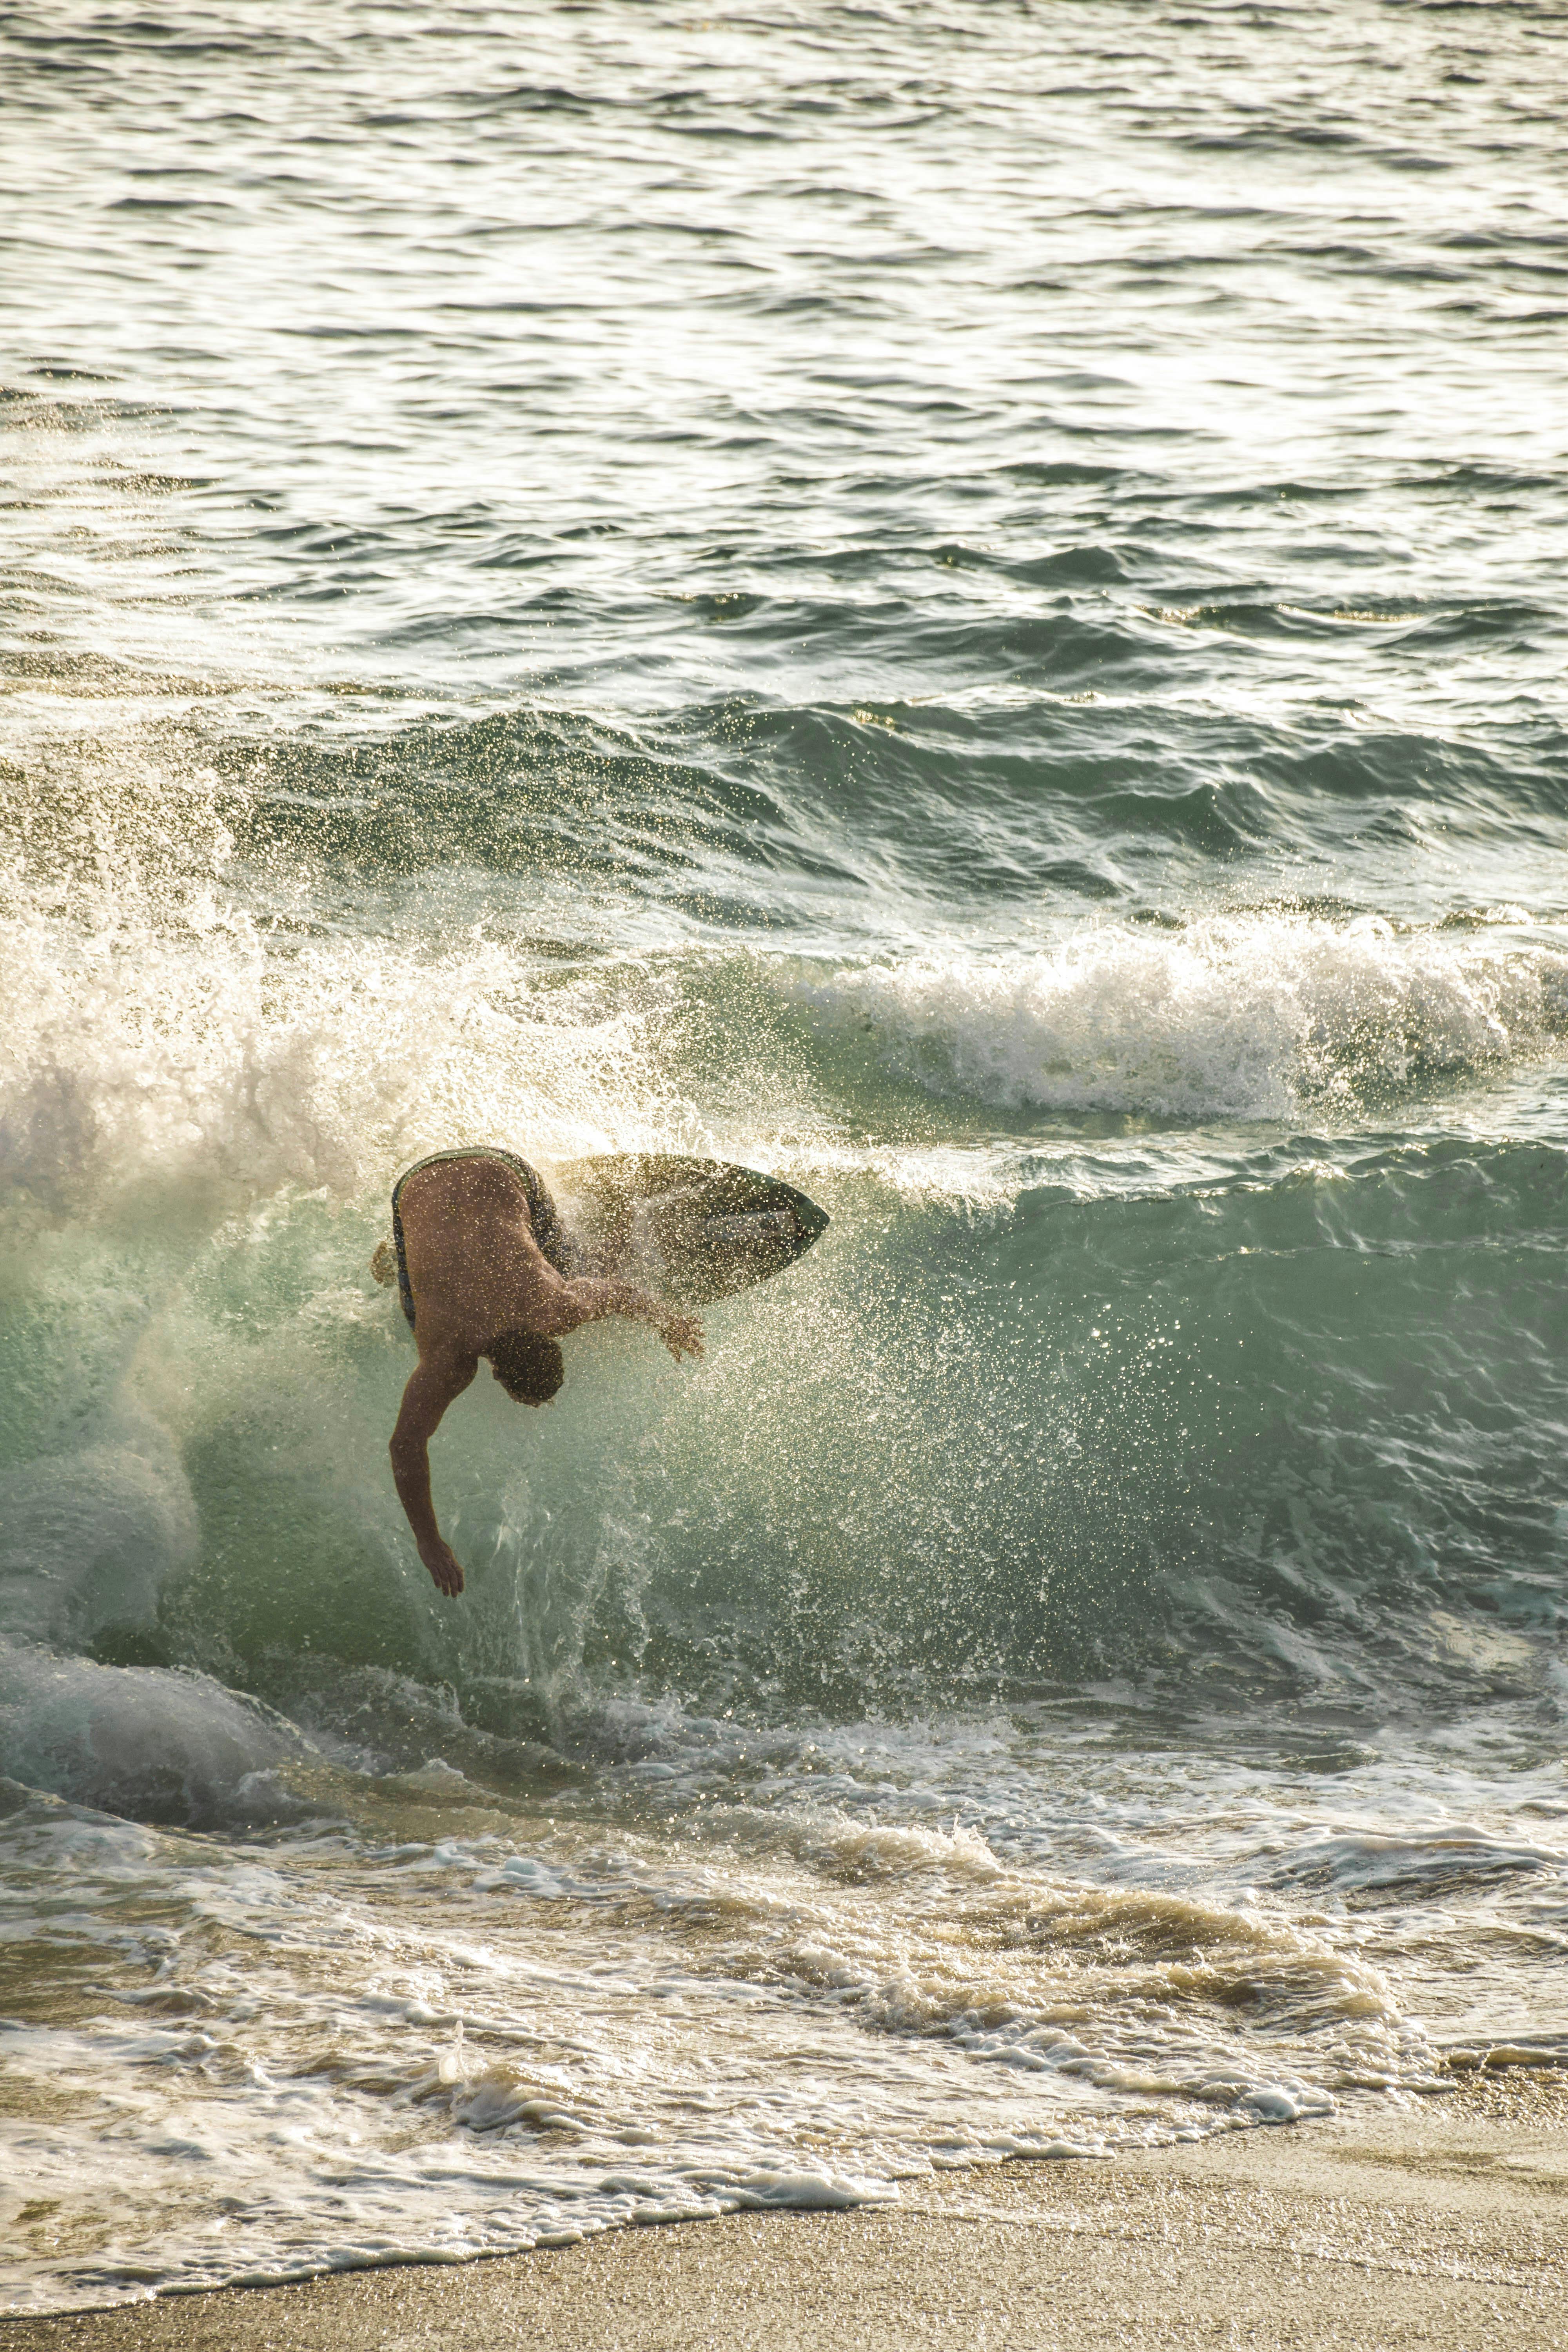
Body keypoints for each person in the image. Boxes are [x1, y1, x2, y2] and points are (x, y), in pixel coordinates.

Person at [372, 1148, 702, 1597]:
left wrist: (670, 1320)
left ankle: (404, 1255)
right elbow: (404, 1446)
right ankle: (399, 1255)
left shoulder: (557, 1307)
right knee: (572, 1266)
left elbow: (624, 1295)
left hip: (495, 1166)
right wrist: (428, 1542)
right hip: (414, 1184)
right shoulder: (450, 1355)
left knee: (571, 1273)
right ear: (496, 1375)